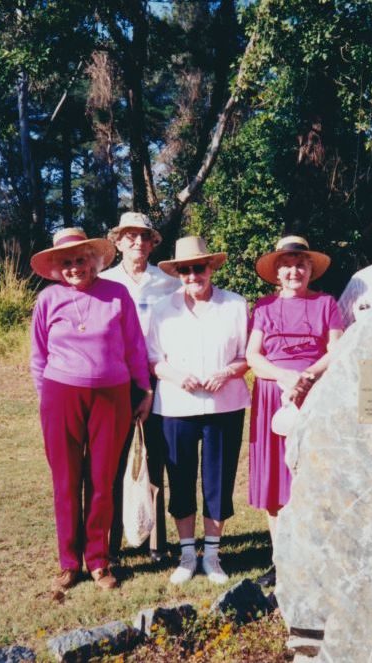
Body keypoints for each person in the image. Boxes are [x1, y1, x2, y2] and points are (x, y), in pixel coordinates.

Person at [29, 227, 152, 593]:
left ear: (94, 261)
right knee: (66, 480)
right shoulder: (48, 300)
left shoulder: (117, 295)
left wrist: (143, 390)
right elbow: (38, 356)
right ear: (56, 267)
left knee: (102, 480)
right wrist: (47, 398)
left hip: (112, 396)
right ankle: (69, 563)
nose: (74, 267)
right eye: (66, 262)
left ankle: (98, 560)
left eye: (80, 260)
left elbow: (134, 348)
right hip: (61, 395)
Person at [146, 236, 251, 585]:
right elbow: (153, 359)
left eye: (199, 268)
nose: (193, 275)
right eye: (186, 270)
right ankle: (188, 554)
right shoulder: (162, 308)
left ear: (211, 268)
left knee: (218, 480)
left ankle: (214, 556)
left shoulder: (235, 305)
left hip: (225, 404)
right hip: (177, 406)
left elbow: (248, 355)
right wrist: (177, 376)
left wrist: (228, 372)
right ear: (178, 273)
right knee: (180, 478)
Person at [246, 235, 343, 587]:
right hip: (274, 394)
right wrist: (284, 375)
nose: (294, 270)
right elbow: (253, 356)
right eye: (287, 264)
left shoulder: (326, 304)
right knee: (275, 479)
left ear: (311, 269)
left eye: (301, 264)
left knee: (314, 475)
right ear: (276, 272)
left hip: (314, 393)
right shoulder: (264, 307)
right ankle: (280, 559)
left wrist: (307, 375)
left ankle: (317, 555)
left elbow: (336, 349)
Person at [102, 212, 180, 564]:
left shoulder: (168, 283)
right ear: (117, 242)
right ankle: (112, 545)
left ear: (152, 243)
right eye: (130, 236)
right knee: (115, 463)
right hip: (115, 380)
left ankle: (156, 543)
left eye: (144, 237)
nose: (137, 242)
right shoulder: (102, 280)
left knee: (155, 459)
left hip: (157, 379)